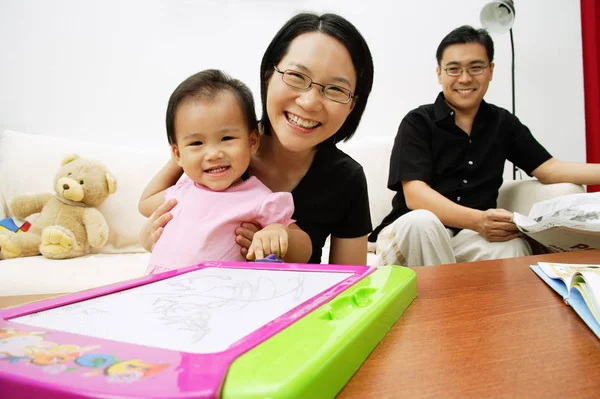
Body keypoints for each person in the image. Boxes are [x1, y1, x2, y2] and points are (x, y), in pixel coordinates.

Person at [139, 12, 375, 265]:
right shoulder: (216, 155)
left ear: (352, 105)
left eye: (336, 89)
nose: (308, 102)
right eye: (296, 76)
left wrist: (280, 240)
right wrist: (150, 236)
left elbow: (349, 279)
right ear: (267, 76)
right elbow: (155, 207)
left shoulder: (346, 178)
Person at [370, 25, 600, 267]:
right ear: (439, 73)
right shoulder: (418, 122)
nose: (465, 78)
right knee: (423, 222)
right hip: (411, 232)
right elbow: (416, 196)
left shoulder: (503, 123)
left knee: (513, 245)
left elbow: (550, 169)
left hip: (466, 237)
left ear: (491, 70)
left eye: (476, 67)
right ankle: (445, 306)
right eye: (454, 69)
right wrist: (479, 220)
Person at [139, 69, 312, 274]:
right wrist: (181, 160)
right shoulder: (181, 192)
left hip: (217, 295)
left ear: (252, 141)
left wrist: (279, 232)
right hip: (159, 291)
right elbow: (145, 204)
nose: (213, 154)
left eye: (227, 139)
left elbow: (304, 250)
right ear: (177, 153)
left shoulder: (258, 199)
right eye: (196, 142)